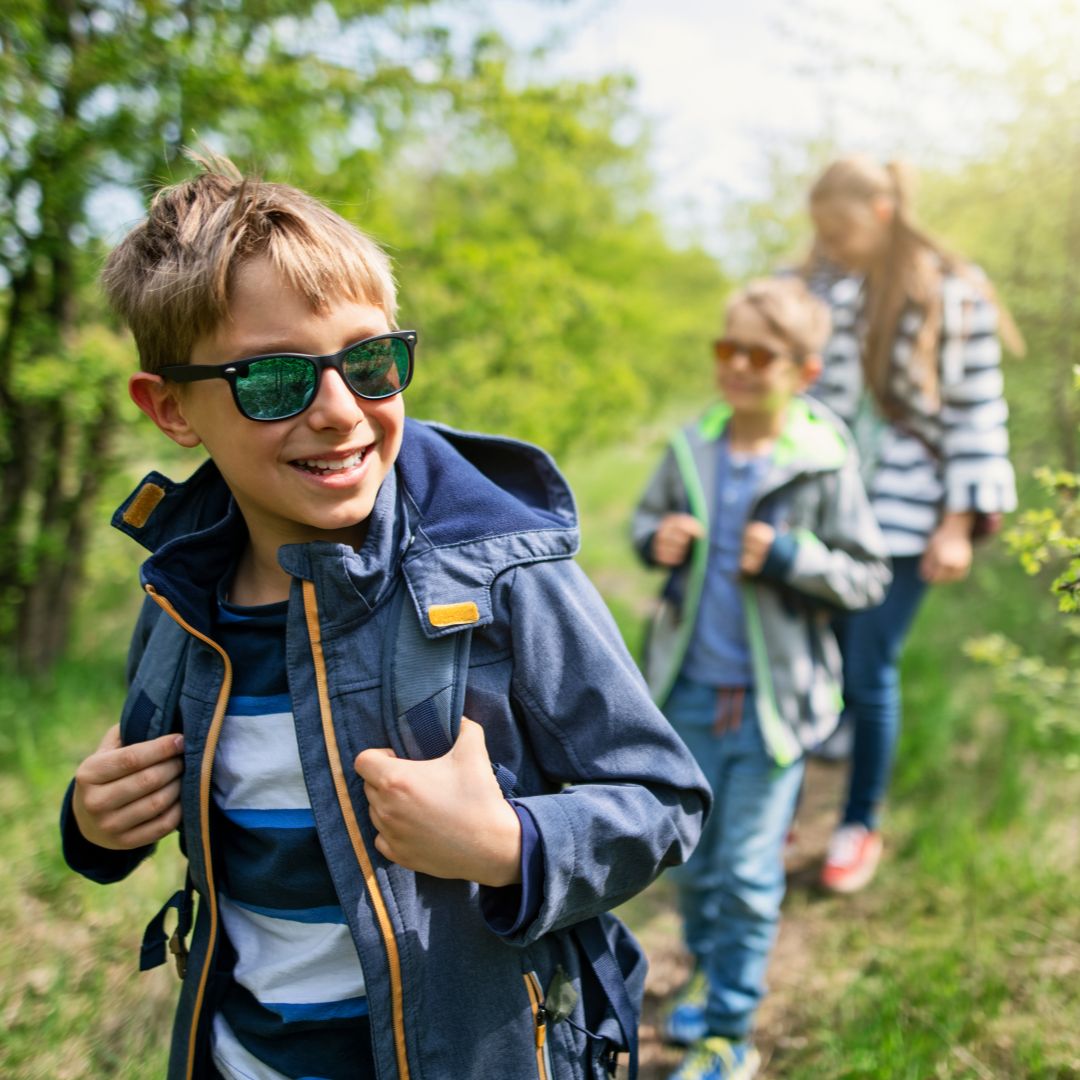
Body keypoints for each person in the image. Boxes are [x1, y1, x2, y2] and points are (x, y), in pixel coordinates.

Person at [59, 153, 711, 1080]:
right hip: (246, 1058)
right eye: (274, 380)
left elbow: (664, 801)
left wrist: (507, 846)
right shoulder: (179, 597)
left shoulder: (502, 573)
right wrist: (93, 823)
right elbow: (160, 805)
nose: (339, 411)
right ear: (171, 407)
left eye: (369, 362)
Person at [632, 277, 891, 1080]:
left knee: (745, 872)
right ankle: (710, 982)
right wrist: (659, 540)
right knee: (699, 865)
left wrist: (790, 557)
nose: (738, 366)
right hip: (687, 697)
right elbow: (645, 523)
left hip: (774, 707)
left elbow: (866, 576)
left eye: (760, 354)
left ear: (805, 371)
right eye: (726, 349)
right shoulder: (692, 447)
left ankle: (730, 1035)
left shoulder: (822, 461)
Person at [802, 155, 1022, 893]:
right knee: (819, 653)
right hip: (825, 507)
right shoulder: (820, 285)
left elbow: (977, 413)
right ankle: (799, 792)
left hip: (904, 514)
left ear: (884, 211)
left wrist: (957, 524)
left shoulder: (953, 289)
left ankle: (858, 822)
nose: (830, 240)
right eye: (820, 229)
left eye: (841, 227)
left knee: (870, 667)